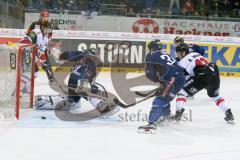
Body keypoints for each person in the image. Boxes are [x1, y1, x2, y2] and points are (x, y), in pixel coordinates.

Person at [35, 48, 118, 115]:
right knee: (88, 87)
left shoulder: (88, 62)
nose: (97, 58)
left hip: (74, 85)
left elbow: (60, 57)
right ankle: (100, 104)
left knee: (83, 89)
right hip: (76, 83)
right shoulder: (84, 57)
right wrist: (53, 51)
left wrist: (53, 52)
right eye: (96, 55)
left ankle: (73, 100)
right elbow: (61, 56)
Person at [173, 43, 234, 122]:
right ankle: (228, 113)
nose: (178, 56)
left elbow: (181, 78)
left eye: (178, 53)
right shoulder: (196, 54)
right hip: (214, 73)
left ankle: (178, 114)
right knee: (215, 96)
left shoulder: (182, 62)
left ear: (183, 52)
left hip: (202, 77)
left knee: (182, 92)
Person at [138, 40, 186, 133]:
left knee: (159, 99)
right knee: (165, 97)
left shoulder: (150, 55)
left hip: (171, 79)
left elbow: (149, 74)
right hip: (180, 78)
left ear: (151, 48)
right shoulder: (166, 54)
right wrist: (163, 82)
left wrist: (159, 80)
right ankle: (165, 117)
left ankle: (151, 124)